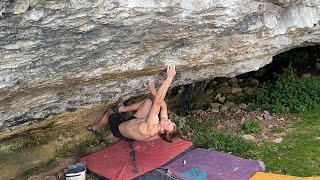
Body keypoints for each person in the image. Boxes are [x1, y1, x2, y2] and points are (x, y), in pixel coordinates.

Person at [87, 64, 179, 142]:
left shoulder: (152, 127)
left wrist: (169, 79)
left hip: (119, 129)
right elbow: (164, 107)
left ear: (162, 130)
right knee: (147, 102)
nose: (169, 120)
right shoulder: (161, 129)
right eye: (171, 122)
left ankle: (95, 127)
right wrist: (153, 91)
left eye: (168, 124)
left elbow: (158, 101)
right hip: (133, 125)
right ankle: (121, 109)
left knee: (109, 112)